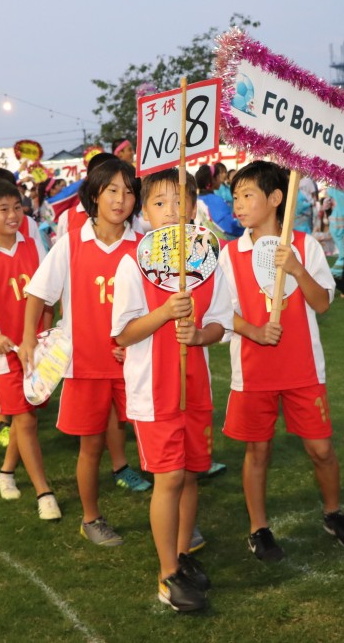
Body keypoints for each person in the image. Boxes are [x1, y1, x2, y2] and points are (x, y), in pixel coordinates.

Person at [218, 160, 344, 563]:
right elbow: (219, 312)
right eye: (235, 197)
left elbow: (322, 303)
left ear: (275, 198)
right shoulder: (230, 255)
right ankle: (258, 528)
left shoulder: (306, 245)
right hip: (252, 370)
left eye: (247, 195)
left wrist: (297, 270)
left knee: (321, 449)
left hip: (302, 368)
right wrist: (252, 330)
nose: (239, 205)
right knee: (258, 452)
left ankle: (333, 514)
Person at [111, 167, 231, 612]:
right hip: (153, 389)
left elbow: (221, 322)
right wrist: (162, 313)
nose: (171, 211)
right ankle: (166, 575)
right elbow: (122, 333)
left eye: (180, 202)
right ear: (144, 211)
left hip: (195, 387)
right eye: (159, 203)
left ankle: (181, 557)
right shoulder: (132, 262)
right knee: (170, 477)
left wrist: (200, 336)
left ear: (196, 207)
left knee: (192, 472)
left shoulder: (207, 258)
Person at [18, 158, 141, 546]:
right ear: (93, 196)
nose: (122, 199)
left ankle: (177, 508)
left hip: (135, 362)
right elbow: (39, 293)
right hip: (85, 364)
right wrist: (26, 339)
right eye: (112, 191)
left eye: (128, 190)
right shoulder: (70, 243)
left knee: (154, 437)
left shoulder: (143, 245)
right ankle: (91, 518)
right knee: (91, 445)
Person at [0, 179, 61, 520]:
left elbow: (48, 291)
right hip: (3, 352)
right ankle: (44, 493)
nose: (13, 215)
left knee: (26, 416)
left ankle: (6, 471)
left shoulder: (34, 245)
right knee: (25, 419)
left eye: (17, 207)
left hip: (35, 348)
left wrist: (45, 330)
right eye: (3, 209)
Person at [195, 164, 244, 240]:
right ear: (212, 180)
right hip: (222, 243)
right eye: (218, 176)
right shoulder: (215, 200)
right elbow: (229, 225)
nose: (220, 179)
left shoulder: (198, 199)